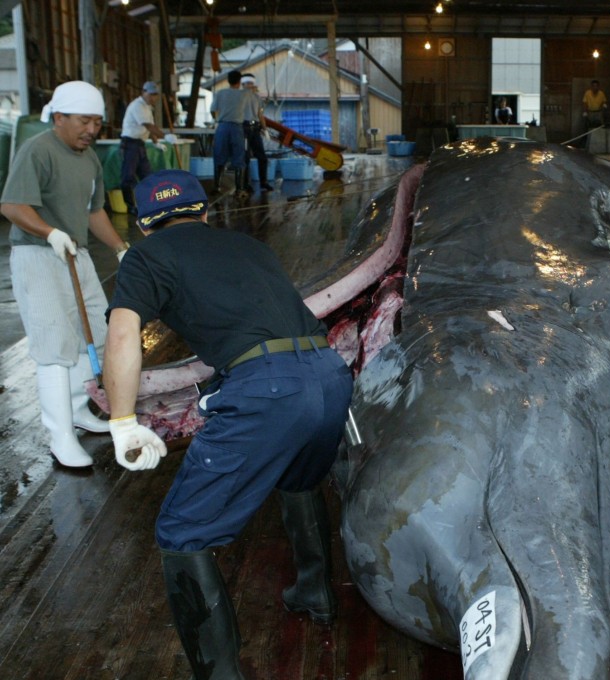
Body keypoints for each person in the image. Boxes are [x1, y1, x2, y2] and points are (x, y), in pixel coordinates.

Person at [104, 169, 353, 676]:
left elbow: (123, 337)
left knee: (183, 531)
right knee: (301, 482)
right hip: (329, 374)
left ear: (144, 226)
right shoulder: (249, 248)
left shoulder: (146, 255)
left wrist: (123, 419)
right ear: (205, 211)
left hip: (268, 389)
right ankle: (315, 591)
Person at [0, 81, 130, 468]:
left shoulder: (89, 158)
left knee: (96, 333)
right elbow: (11, 204)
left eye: (97, 122)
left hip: (77, 254)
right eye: (84, 121)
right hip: (37, 255)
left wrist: (120, 248)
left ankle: (77, 410)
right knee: (55, 345)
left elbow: (93, 212)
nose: (91, 130)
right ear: (59, 118)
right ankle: (60, 437)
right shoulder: (37, 150)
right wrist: (49, 232)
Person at [119, 81, 171, 214]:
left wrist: (155, 142)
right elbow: (148, 126)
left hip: (140, 144)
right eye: (151, 94)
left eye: (155, 95)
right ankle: (131, 206)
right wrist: (166, 136)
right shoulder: (137, 106)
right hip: (130, 143)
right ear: (143, 92)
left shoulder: (148, 108)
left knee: (147, 176)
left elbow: (150, 129)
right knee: (128, 176)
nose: (153, 98)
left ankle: (152, 204)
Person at [210, 69, 261, 195]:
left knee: (219, 156)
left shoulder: (220, 93)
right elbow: (254, 91)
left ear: (228, 81)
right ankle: (240, 189)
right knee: (239, 157)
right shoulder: (245, 94)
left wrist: (217, 118)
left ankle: (217, 186)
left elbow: (213, 110)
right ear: (239, 82)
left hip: (222, 127)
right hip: (237, 128)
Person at [240, 73, 273, 192]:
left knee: (262, 157)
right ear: (242, 84)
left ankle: (263, 182)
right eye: (247, 83)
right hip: (243, 127)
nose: (250, 85)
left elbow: (260, 114)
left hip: (255, 128)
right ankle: (245, 184)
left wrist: (265, 129)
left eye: (251, 83)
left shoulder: (257, 97)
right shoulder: (239, 96)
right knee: (245, 157)